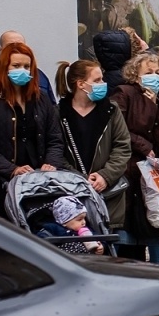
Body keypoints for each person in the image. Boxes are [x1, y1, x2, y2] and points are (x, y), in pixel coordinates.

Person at [0, 40, 65, 206]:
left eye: (26, 66)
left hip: (40, 181)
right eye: (16, 66)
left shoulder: (41, 98)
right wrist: (12, 169)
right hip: (3, 182)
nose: (22, 70)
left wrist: (51, 164)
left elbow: (55, 138)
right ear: (4, 68)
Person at [110, 51, 159, 263]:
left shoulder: (156, 100)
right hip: (128, 169)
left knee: (149, 227)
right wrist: (144, 146)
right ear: (136, 75)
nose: (153, 76)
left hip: (147, 174)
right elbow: (118, 128)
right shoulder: (124, 93)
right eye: (148, 72)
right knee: (126, 231)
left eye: (157, 72)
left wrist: (154, 106)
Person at [56, 59, 132, 231]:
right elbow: (56, 152)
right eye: (97, 80)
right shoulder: (59, 114)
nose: (103, 84)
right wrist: (80, 179)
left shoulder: (111, 110)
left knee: (106, 241)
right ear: (81, 84)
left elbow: (122, 146)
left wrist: (105, 175)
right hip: (72, 195)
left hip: (108, 195)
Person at [0, 29, 55, 98]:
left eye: (20, 46)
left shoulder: (39, 75)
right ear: (0, 50)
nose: (16, 50)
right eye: (10, 46)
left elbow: (51, 105)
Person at [38, 195, 102, 254]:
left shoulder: (87, 230)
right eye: (79, 219)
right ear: (64, 221)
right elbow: (41, 238)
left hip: (88, 258)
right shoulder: (54, 228)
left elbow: (99, 238)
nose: (84, 222)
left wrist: (101, 246)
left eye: (84, 218)